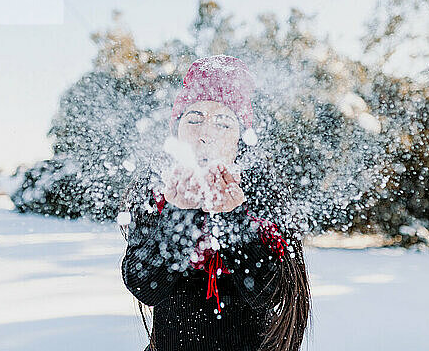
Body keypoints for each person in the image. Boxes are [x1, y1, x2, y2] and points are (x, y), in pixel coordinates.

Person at [119, 55, 311, 351]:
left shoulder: (262, 193)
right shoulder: (156, 190)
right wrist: (178, 216)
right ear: (177, 132)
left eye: (223, 123)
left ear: (239, 141)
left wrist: (233, 219)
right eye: (194, 119)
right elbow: (145, 286)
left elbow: (271, 293)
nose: (205, 134)